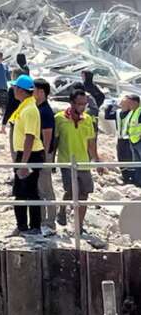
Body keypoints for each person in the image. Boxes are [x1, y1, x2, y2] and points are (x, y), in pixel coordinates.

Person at [54, 89, 104, 232]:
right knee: (70, 190)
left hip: (83, 162)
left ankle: (79, 225)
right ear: (71, 103)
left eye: (84, 104)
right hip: (66, 161)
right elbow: (55, 141)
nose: (82, 107)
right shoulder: (59, 119)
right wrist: (50, 161)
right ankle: (62, 210)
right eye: (79, 104)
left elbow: (91, 143)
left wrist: (97, 161)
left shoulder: (88, 119)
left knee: (84, 194)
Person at [6, 74, 45, 235]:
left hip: (30, 154)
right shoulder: (24, 106)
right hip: (25, 153)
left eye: (15, 88)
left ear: (21, 90)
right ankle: (22, 226)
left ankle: (34, 227)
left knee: (29, 192)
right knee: (21, 191)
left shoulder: (29, 110)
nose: (13, 90)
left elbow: (30, 137)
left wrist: (24, 163)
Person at [34, 78, 57, 235]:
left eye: (34, 90)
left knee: (46, 189)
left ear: (41, 92)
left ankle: (50, 221)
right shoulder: (38, 109)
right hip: (40, 153)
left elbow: (47, 137)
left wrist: (44, 155)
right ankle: (41, 220)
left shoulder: (45, 112)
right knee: (39, 189)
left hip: (44, 154)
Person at [104, 96, 140, 185]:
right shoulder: (118, 113)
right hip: (121, 140)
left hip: (129, 140)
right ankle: (126, 177)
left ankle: (134, 178)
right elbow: (107, 116)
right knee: (121, 158)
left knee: (131, 159)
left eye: (125, 103)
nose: (122, 105)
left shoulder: (132, 113)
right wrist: (110, 105)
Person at [2, 68, 26, 135]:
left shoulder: (12, 89)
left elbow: (9, 107)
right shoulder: (28, 88)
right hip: (26, 119)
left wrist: (4, 123)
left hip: (15, 119)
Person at [125, 95, 141, 186]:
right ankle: (138, 182)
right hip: (133, 141)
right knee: (137, 163)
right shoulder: (132, 112)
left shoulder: (140, 111)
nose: (128, 105)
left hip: (139, 141)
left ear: (135, 102)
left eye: (130, 103)